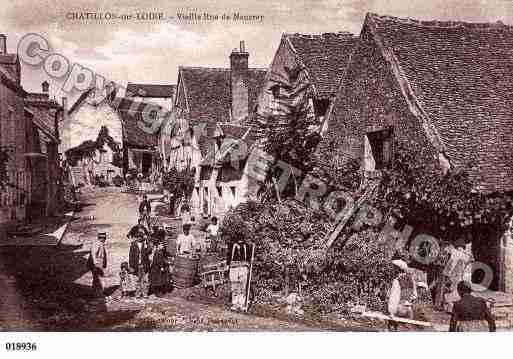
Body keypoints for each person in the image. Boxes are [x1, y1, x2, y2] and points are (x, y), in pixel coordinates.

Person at [387, 259, 418, 331]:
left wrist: (391, 313)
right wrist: (408, 302)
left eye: (393, 268)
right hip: (409, 312)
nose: (392, 270)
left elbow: (394, 298)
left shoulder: (396, 281)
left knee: (393, 329)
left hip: (398, 310)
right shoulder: (411, 280)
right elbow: (415, 295)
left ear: (397, 269)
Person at [229, 239, 251, 311]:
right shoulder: (231, 245)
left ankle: (242, 303)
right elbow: (228, 256)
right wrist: (228, 265)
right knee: (234, 286)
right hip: (233, 267)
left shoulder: (246, 246)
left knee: (242, 286)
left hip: (243, 268)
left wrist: (247, 265)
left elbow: (249, 258)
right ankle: (235, 303)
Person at [129, 234, 153, 298]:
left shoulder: (145, 244)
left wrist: (148, 244)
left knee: (145, 279)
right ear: (136, 237)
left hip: (144, 264)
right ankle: (138, 293)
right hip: (136, 265)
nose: (139, 238)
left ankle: (145, 293)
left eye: (140, 237)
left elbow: (149, 251)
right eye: (138, 237)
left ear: (142, 238)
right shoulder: (133, 245)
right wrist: (131, 266)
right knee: (137, 280)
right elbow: (131, 256)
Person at [87, 232, 108, 298]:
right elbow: (93, 254)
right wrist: (96, 263)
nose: (104, 239)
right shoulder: (96, 244)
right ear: (99, 238)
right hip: (97, 262)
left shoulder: (101, 244)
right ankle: (96, 293)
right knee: (97, 278)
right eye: (102, 238)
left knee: (99, 277)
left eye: (104, 238)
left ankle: (98, 292)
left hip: (100, 261)